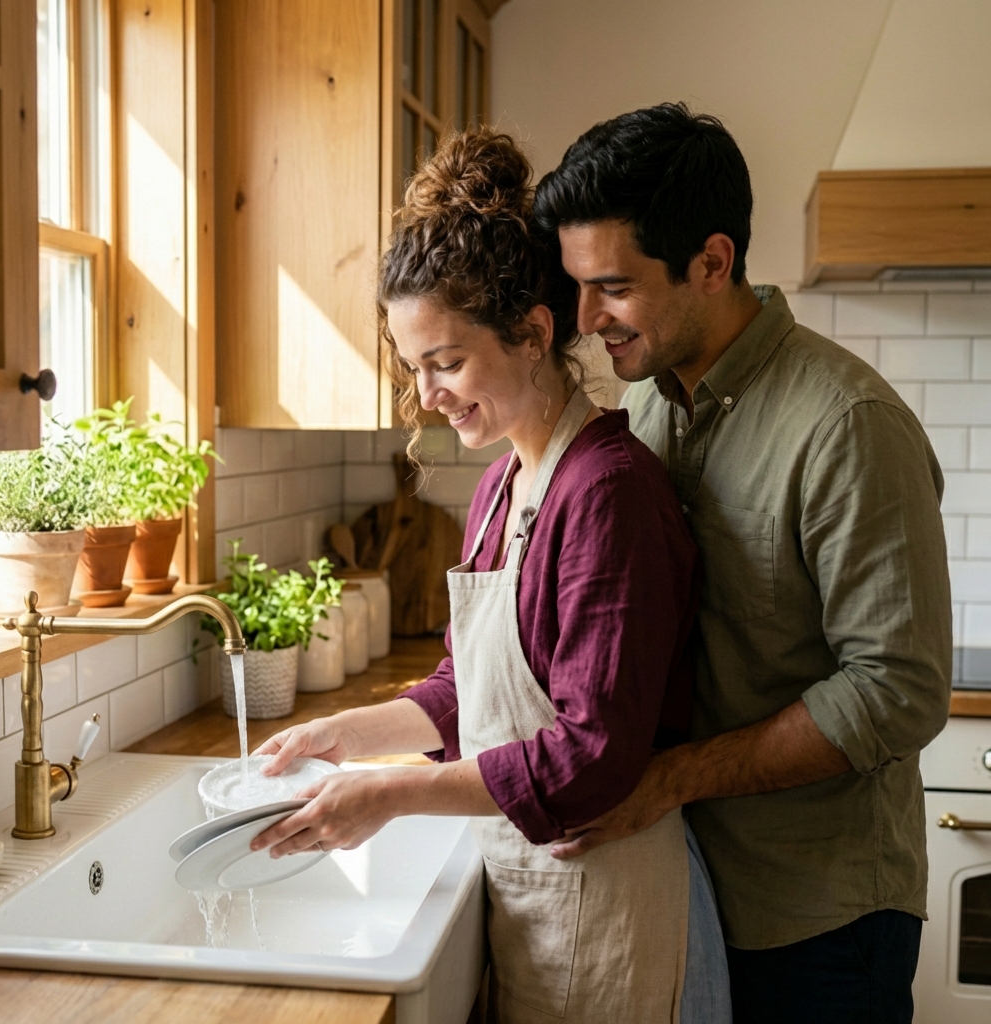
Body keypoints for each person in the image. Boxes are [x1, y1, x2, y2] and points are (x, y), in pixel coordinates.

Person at [250, 128, 730, 1022]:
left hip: (619, 911)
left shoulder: (610, 495)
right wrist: (347, 736)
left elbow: (594, 754)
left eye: (447, 362)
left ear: (534, 333)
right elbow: (472, 687)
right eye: (414, 367)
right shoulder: (507, 482)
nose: (427, 396)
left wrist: (394, 793)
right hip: (545, 905)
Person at [533, 103, 953, 1024]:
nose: (585, 317)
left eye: (612, 286)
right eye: (576, 286)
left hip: (821, 919)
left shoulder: (847, 425)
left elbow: (899, 688)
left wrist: (672, 779)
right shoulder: (645, 414)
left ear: (713, 262)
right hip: (685, 887)